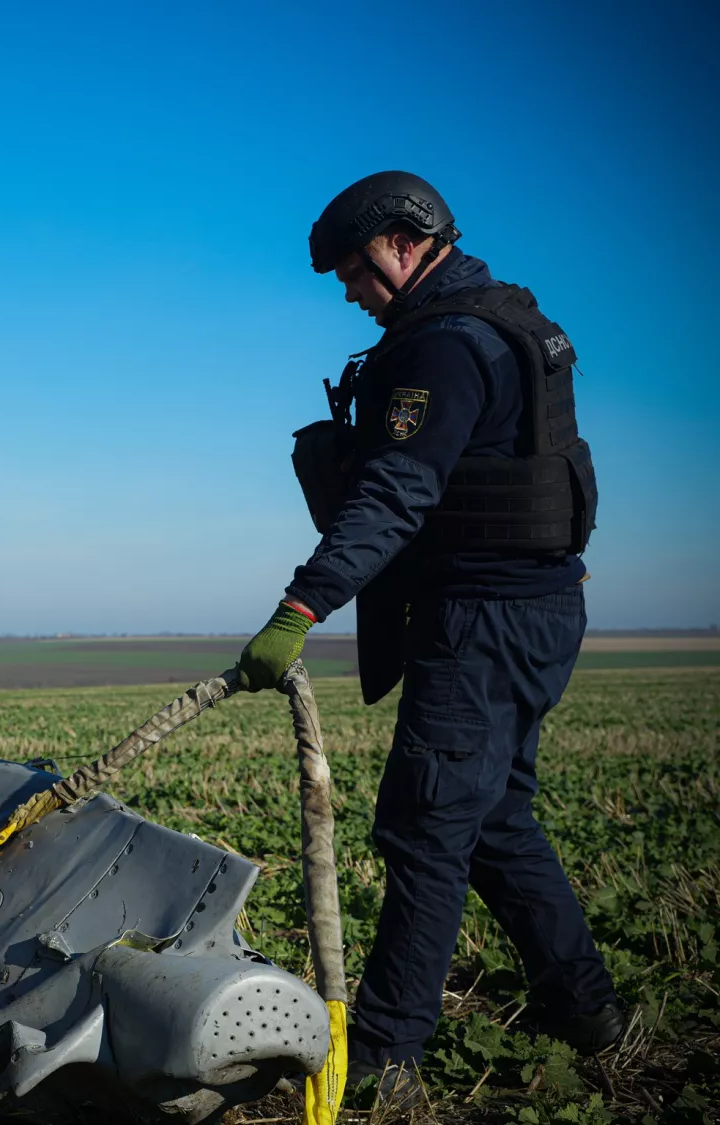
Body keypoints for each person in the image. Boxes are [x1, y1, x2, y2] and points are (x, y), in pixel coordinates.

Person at [235, 172, 621, 1102]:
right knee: (492, 818)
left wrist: (302, 607)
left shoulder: (445, 348)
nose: (347, 290)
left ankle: (383, 1057)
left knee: (424, 825)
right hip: (539, 610)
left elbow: (395, 493)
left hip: (484, 621)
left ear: (405, 245)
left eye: (353, 271)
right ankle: (587, 1008)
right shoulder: (500, 322)